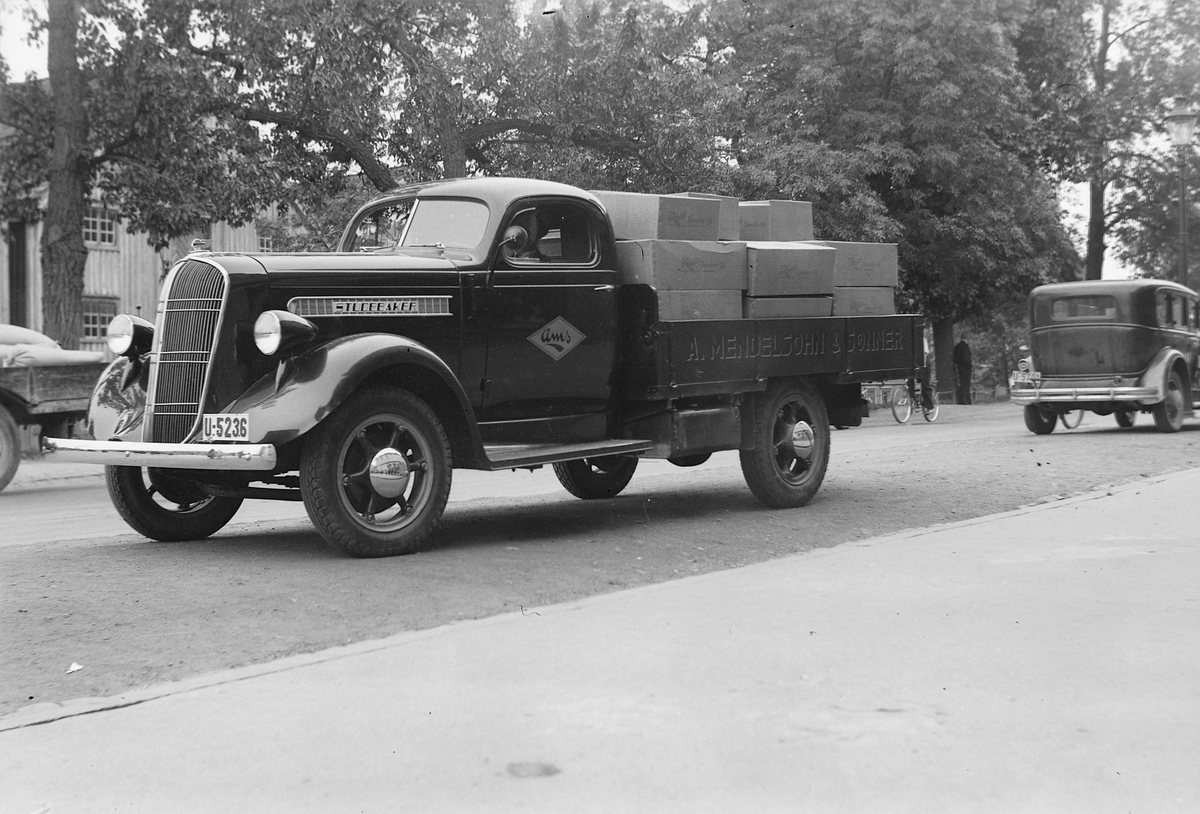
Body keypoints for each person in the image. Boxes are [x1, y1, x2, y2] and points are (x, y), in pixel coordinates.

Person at [953, 336, 972, 404]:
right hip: (965, 368)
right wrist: (969, 366)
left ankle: (961, 399)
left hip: (959, 367)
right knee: (966, 384)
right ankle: (966, 400)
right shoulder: (965, 347)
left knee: (962, 383)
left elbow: (955, 358)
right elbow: (966, 358)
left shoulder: (957, 347)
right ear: (967, 338)